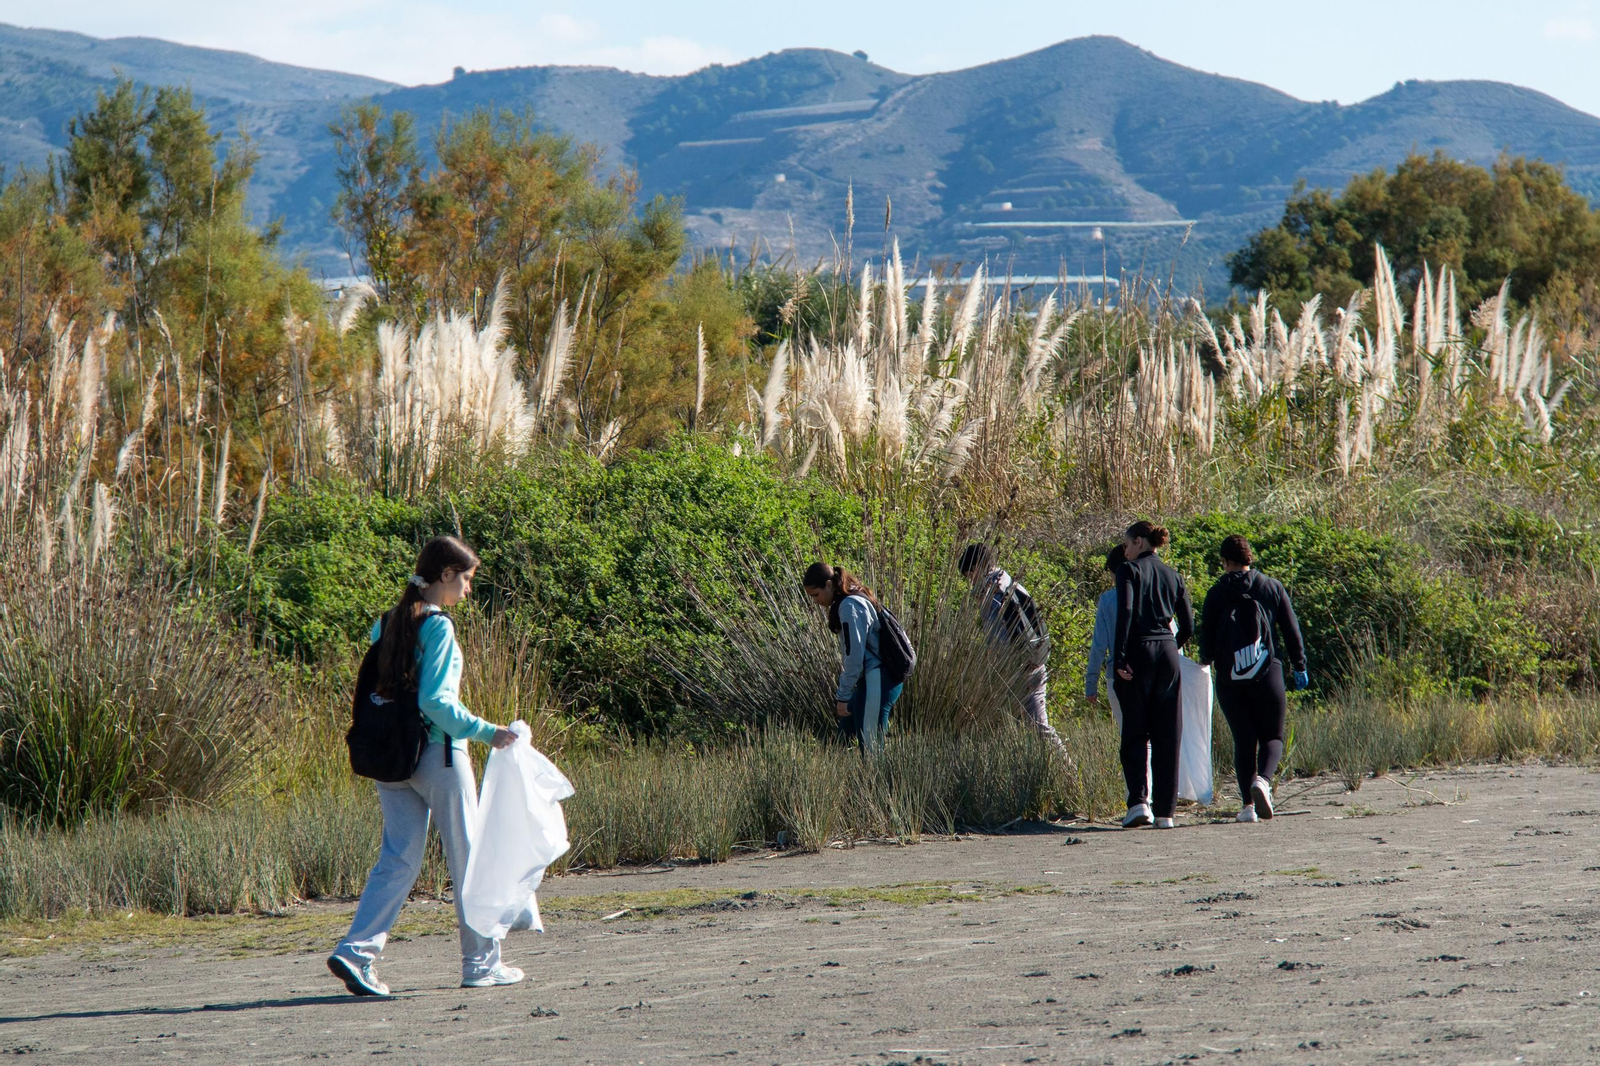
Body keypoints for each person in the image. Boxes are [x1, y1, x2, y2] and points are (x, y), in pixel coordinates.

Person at [328, 535, 523, 998]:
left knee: (396, 860)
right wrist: (489, 731)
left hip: (392, 760)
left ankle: (356, 953)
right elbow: (436, 701)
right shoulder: (439, 628)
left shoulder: (386, 622)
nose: (468, 590)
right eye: (468, 580)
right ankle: (480, 964)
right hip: (439, 757)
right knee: (469, 861)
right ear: (446, 576)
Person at [1198, 534, 1308, 823]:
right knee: (1272, 735)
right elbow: (1291, 629)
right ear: (1250, 558)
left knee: (1243, 739)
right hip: (1267, 671)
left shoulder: (1216, 593)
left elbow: (1206, 639)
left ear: (1224, 562)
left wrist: (1206, 659)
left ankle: (1247, 807)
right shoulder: (1271, 587)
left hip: (1229, 678)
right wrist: (1299, 665)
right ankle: (1264, 781)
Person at [1111, 520, 1194, 830]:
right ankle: (1165, 812)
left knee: (1135, 729)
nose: (1124, 549)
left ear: (1141, 542)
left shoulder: (1128, 571)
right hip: (1168, 652)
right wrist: (1172, 646)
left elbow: (1127, 612)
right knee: (1168, 732)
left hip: (1139, 651)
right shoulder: (1174, 575)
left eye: (1127, 543)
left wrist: (1120, 656)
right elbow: (1188, 625)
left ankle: (1138, 803)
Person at [958, 543, 1067, 757]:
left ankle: (1070, 776)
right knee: (1026, 727)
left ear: (975, 570)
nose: (970, 581)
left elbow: (998, 639)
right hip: (1032, 660)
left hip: (1019, 668)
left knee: (1039, 728)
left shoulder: (991, 592)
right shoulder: (1010, 583)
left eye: (968, 575)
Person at [803, 562, 902, 752]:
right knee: (842, 737)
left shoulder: (850, 606)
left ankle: (879, 782)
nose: (816, 601)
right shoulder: (854, 596)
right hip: (874, 680)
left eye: (816, 595)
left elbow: (854, 657)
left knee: (872, 753)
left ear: (829, 585)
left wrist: (843, 695)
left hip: (878, 679)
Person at [1084, 544, 1125, 707]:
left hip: (1116, 675)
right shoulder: (1152, 593)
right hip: (1153, 673)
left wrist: (1091, 683)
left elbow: (1099, 645)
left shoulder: (1108, 600)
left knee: (1127, 730)